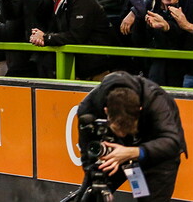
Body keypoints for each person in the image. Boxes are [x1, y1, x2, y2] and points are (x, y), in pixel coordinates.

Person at [76, 72, 186, 202]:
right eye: (118, 129)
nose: (123, 134)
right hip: (114, 154)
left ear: (140, 110)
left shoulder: (155, 100)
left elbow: (173, 142)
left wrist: (134, 152)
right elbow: (87, 151)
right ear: (106, 112)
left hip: (155, 152)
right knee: (90, 197)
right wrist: (93, 173)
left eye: (128, 129)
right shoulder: (89, 107)